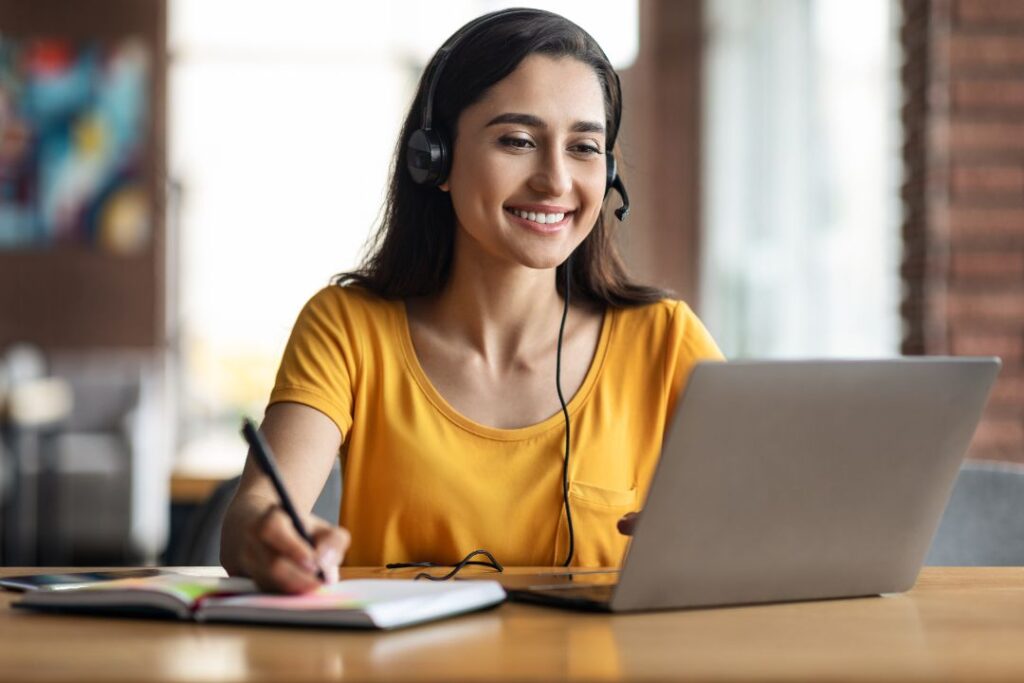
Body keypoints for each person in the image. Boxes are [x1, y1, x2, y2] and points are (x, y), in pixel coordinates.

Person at [220, 8, 724, 594]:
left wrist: (733, 533)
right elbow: (252, 513)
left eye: (584, 146)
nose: (556, 180)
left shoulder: (664, 339)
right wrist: (270, 534)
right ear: (433, 159)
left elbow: (763, 507)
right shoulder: (348, 327)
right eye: (517, 140)